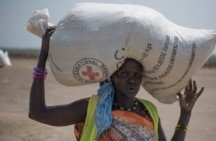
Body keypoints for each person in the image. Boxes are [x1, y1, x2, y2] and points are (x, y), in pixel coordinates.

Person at [29, 27, 204, 141]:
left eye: (136, 75)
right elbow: (37, 113)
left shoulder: (149, 110)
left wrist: (185, 114)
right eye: (125, 74)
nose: (132, 80)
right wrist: (43, 56)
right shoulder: (93, 108)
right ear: (111, 77)